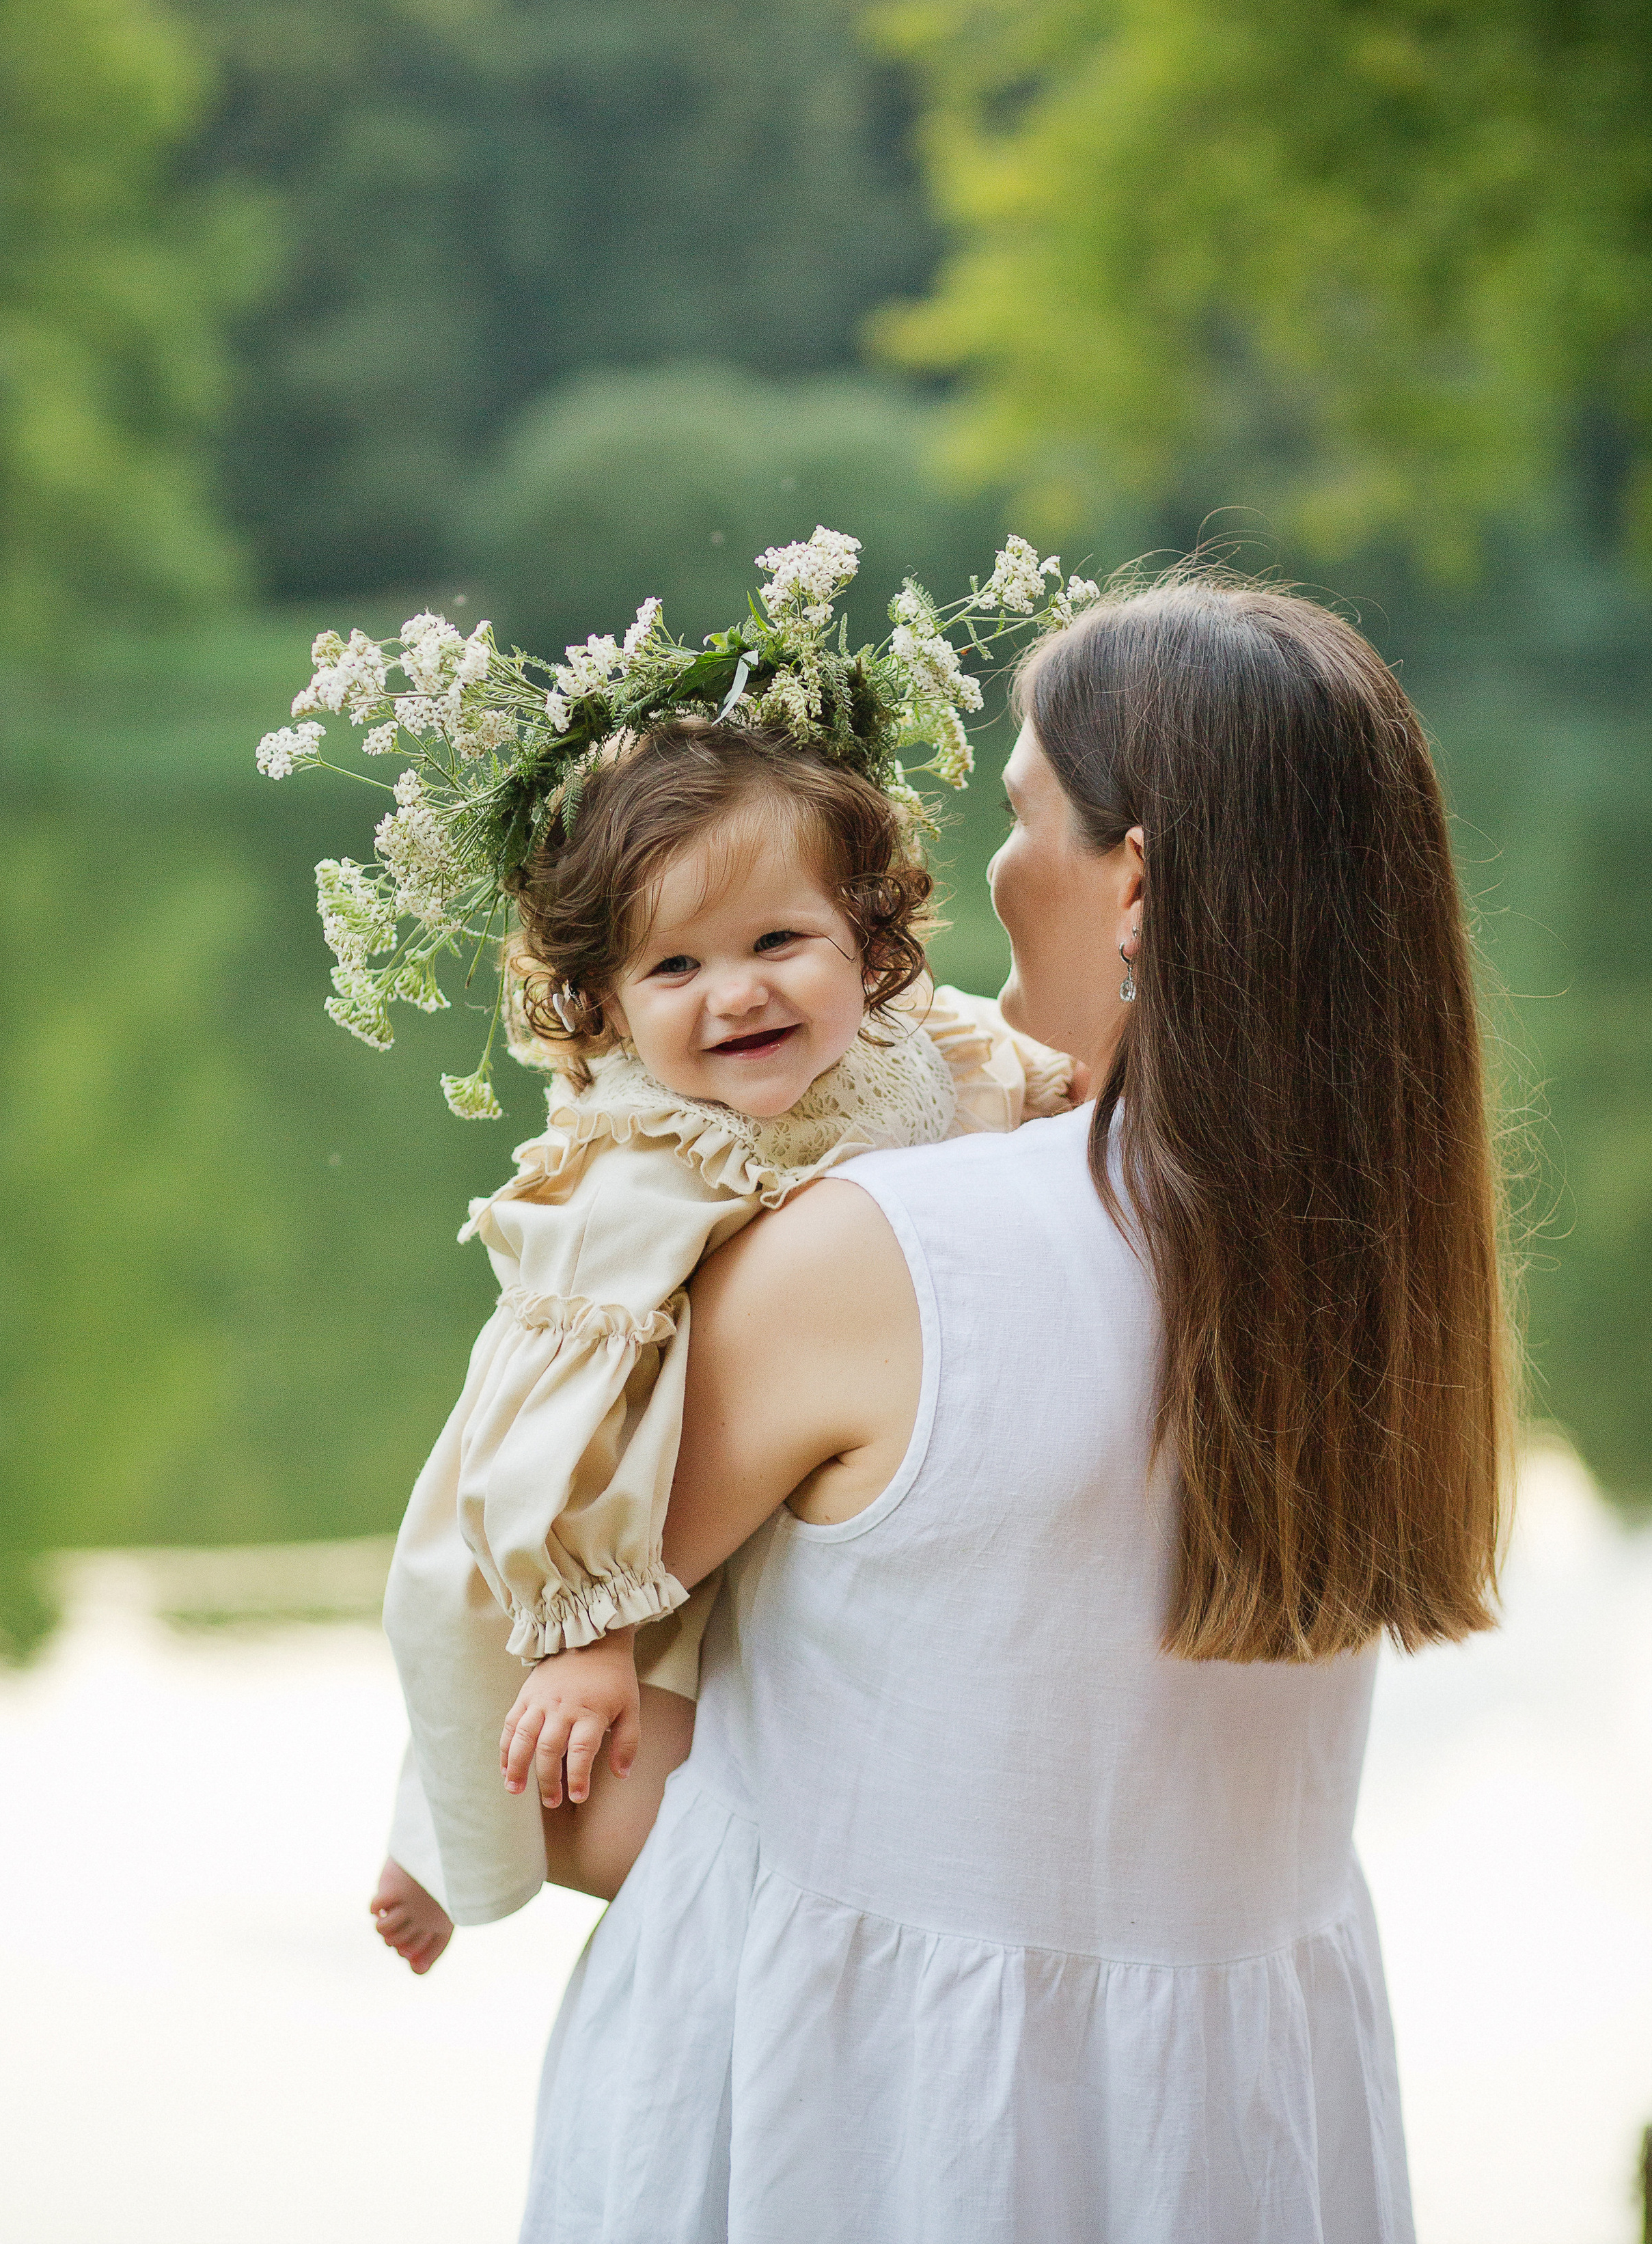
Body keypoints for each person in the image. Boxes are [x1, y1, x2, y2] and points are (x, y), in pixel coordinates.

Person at [517, 574, 1514, 2244]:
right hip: (1244, 2128)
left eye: (1022, 812)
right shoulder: (1390, 1276)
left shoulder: (879, 1258)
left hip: (872, 2124)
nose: (986, 872)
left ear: (1135, 883)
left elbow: (554, 1774)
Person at [312, 532, 1090, 1969]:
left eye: (774, 942)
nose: (732, 995)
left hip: (785, 1459)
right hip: (595, 1476)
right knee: (528, 1703)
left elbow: (987, 1093)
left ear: (868, 942)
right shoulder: (644, 1162)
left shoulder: (906, 1045)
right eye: (672, 969)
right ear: (603, 1008)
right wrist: (591, 1625)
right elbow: (556, 1413)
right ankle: (433, 1818)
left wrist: (1062, 1098)